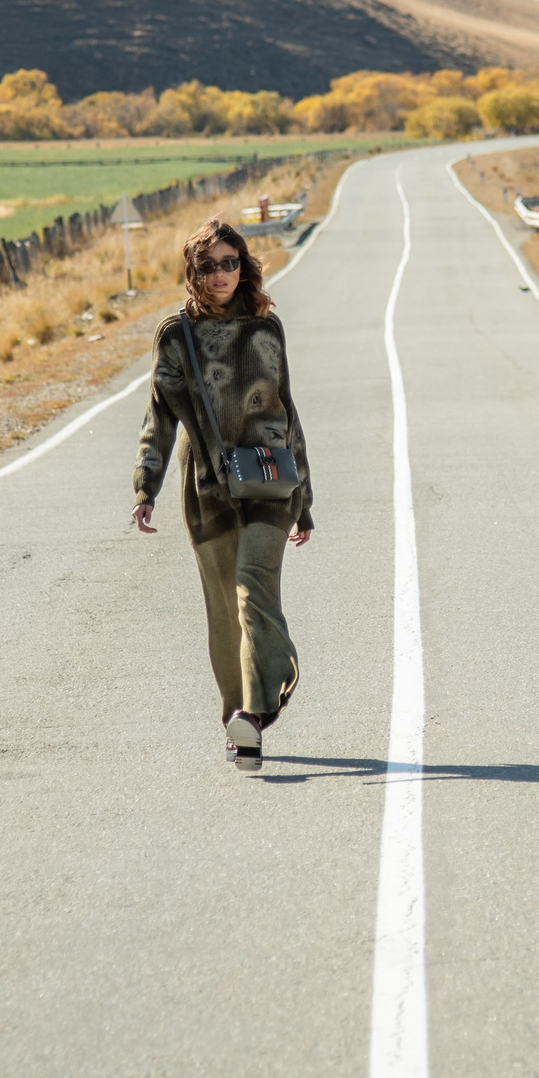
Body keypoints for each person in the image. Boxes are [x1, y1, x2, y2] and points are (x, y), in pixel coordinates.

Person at [132, 219, 315, 772]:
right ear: (193, 270)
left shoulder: (267, 328)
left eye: (230, 262)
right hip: (207, 487)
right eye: (209, 264)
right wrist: (146, 487)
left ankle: (257, 712)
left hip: (270, 479)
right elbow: (159, 417)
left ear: (245, 265)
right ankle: (238, 721)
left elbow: (288, 410)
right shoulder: (176, 334)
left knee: (253, 591)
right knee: (223, 613)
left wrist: (305, 497)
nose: (221, 274)